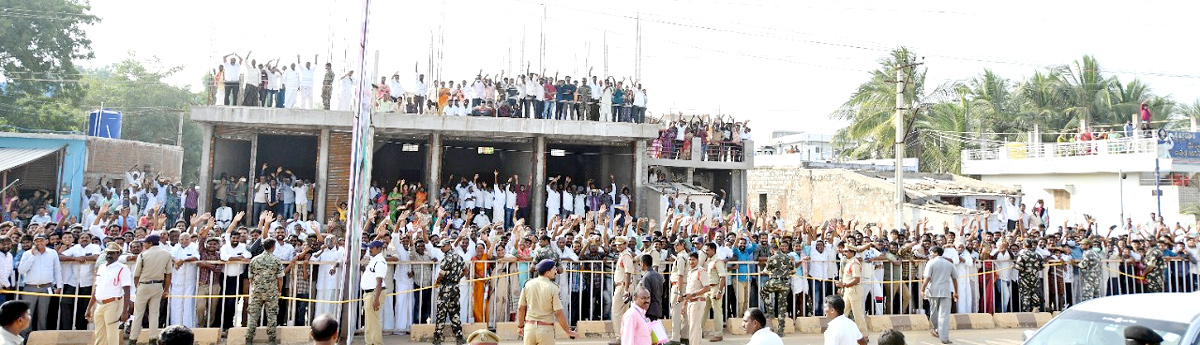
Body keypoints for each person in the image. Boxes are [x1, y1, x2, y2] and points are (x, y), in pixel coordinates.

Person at [517, 259, 577, 345]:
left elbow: (521, 308)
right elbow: (558, 312)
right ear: (547, 272)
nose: (555, 271)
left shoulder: (528, 284)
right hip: (545, 329)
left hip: (529, 328)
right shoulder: (553, 288)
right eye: (553, 269)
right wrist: (567, 331)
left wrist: (520, 326)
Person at [129, 234, 173, 345]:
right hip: (158, 285)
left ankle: (133, 338)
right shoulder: (167, 254)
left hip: (144, 284)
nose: (144, 244)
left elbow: (136, 275)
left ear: (150, 243)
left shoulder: (143, 255)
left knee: (138, 313)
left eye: (145, 242)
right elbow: (168, 274)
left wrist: (137, 287)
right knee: (154, 313)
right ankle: (153, 338)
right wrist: (166, 289)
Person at [86, 243, 131, 345]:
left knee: (112, 334)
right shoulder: (102, 267)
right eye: (107, 253)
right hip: (100, 304)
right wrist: (89, 308)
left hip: (113, 303)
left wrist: (125, 311)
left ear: (118, 254)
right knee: (99, 334)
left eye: (112, 253)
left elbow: (127, 290)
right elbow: (96, 289)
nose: (109, 256)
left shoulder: (122, 268)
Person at [15, 234, 58, 337]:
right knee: (27, 314)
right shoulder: (27, 254)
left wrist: (58, 285)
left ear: (46, 241)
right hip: (30, 287)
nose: (39, 243)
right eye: (37, 241)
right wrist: (32, 256)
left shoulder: (52, 253)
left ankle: (40, 338)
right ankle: (25, 338)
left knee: (43, 315)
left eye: (41, 240)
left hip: (46, 287)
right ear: (34, 242)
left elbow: (57, 269)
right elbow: (21, 270)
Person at [246, 238, 285, 345]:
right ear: (273, 247)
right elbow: (280, 278)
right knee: (272, 315)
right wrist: (279, 291)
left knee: (253, 316)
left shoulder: (254, 260)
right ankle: (272, 339)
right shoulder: (276, 260)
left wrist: (255, 287)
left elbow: (250, 278)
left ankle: (249, 338)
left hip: (257, 291)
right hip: (271, 292)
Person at [920, 246, 957, 345]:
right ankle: (944, 337)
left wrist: (922, 289)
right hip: (946, 292)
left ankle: (937, 329)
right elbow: (954, 279)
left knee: (934, 313)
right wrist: (956, 292)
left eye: (931, 252)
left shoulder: (931, 263)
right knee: (944, 315)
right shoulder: (949, 264)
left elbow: (927, 277)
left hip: (933, 291)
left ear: (936, 253)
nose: (930, 254)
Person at [433, 239, 467, 345]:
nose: (441, 248)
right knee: (454, 312)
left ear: (448, 245)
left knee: (441, 313)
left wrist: (437, 283)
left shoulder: (446, 258)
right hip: (455, 288)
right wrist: (457, 278)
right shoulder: (458, 257)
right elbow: (466, 270)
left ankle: (437, 337)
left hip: (445, 288)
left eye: (442, 246)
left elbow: (440, 274)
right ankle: (459, 337)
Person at [609, 236, 636, 345]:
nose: (618, 246)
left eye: (621, 244)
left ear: (625, 244)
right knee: (623, 313)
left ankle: (619, 337)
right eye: (617, 244)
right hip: (623, 285)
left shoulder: (626, 255)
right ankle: (624, 336)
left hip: (623, 286)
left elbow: (628, 272)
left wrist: (625, 289)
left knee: (616, 312)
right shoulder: (623, 255)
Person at [679, 251, 710, 345]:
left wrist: (693, 295)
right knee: (695, 327)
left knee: (694, 328)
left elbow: (707, 287)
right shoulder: (690, 272)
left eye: (693, 259)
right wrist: (684, 305)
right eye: (690, 259)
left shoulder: (701, 271)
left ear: (697, 260)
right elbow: (689, 290)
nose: (691, 262)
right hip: (690, 302)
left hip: (698, 301)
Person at [760, 243, 791, 336]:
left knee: (763, 291)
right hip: (785, 283)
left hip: (775, 281)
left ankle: (770, 310)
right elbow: (793, 270)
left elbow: (766, 271)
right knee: (782, 306)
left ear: (771, 250)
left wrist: (763, 272)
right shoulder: (787, 258)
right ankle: (781, 330)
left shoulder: (772, 258)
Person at [836, 245, 867, 333]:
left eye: (846, 251)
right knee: (844, 312)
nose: (844, 253)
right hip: (848, 290)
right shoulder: (849, 262)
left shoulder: (854, 263)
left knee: (857, 314)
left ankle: (863, 334)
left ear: (852, 252)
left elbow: (856, 279)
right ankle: (842, 332)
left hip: (854, 290)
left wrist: (844, 284)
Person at [361, 240, 387, 345]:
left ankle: (376, 343)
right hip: (369, 293)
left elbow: (379, 282)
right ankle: (370, 342)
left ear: (379, 249)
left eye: (372, 247)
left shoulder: (380, 261)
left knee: (374, 321)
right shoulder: (374, 259)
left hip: (374, 293)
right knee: (369, 321)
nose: (370, 249)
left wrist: (376, 299)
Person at [703, 242, 728, 341]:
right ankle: (699, 330)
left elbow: (722, 277)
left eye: (708, 250)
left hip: (715, 288)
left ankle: (718, 334)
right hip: (709, 288)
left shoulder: (717, 261)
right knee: (703, 310)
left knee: (717, 311)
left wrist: (719, 291)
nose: (706, 252)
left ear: (713, 250)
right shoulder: (709, 261)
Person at [1015, 239, 1044, 312]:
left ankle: (1026, 312)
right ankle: (1036, 309)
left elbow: (1018, 267)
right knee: (1035, 295)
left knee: (1026, 296)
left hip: (1025, 279)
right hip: (1035, 278)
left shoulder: (1022, 255)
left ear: (1024, 245)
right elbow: (1041, 267)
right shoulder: (1037, 255)